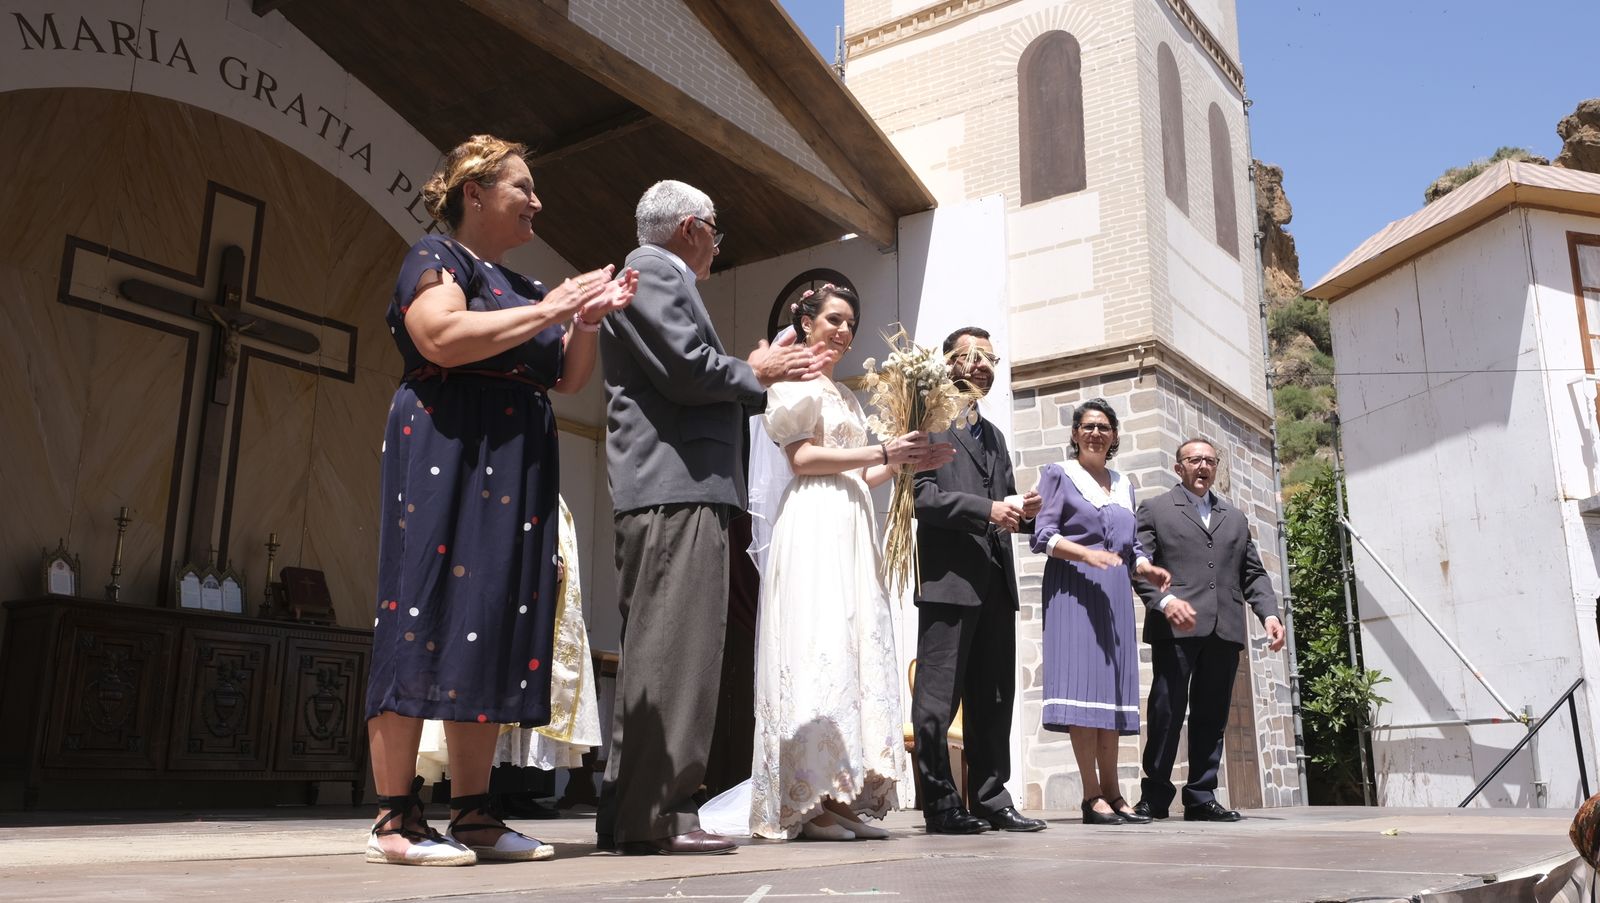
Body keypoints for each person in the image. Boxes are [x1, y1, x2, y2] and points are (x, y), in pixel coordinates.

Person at [365, 134, 636, 867]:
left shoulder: (519, 285)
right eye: (523, 186)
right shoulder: (437, 258)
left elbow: (570, 380)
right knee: (422, 611)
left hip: (513, 464)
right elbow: (441, 336)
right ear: (475, 193)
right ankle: (394, 819)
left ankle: (476, 814)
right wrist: (553, 303)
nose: (537, 201)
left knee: (487, 620)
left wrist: (584, 318)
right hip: (448, 450)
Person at [597, 180, 823, 856]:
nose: (718, 248)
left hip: (680, 487)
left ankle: (632, 810)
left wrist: (755, 373)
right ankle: (657, 813)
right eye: (717, 233)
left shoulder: (654, 277)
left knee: (662, 654)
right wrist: (758, 369)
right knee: (674, 655)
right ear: (693, 226)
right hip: (677, 488)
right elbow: (686, 370)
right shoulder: (651, 272)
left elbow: (691, 374)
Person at [748, 286, 954, 841]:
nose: (843, 330)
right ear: (807, 323)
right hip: (813, 520)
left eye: (850, 323)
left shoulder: (844, 394)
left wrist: (907, 460)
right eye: (833, 320)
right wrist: (881, 452)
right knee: (816, 643)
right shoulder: (793, 382)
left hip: (850, 520)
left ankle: (836, 794)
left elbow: (862, 474)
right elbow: (802, 459)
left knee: (846, 647)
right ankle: (802, 802)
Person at [910, 327, 1047, 835]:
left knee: (993, 700)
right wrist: (987, 509)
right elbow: (922, 500)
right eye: (971, 356)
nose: (982, 365)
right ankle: (941, 803)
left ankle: (991, 796)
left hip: (994, 583)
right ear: (947, 363)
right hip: (948, 580)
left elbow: (1006, 505)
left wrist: (1027, 511)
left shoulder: (995, 436)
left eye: (990, 358)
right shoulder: (925, 424)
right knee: (936, 701)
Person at [1029, 399, 1171, 825]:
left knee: (1109, 697)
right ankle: (1092, 796)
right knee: (1083, 695)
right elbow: (1043, 536)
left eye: (1104, 427)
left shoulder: (1124, 483)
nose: (1095, 433)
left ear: (1114, 436)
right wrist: (1087, 556)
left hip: (1113, 597)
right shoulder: (1059, 474)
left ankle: (1114, 791)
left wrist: (1147, 568)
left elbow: (1133, 548)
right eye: (1088, 426)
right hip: (1074, 590)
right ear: (1075, 434)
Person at [1132, 438, 1284, 823]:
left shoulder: (1234, 518)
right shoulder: (1155, 509)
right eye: (1194, 459)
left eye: (1210, 461)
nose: (1203, 466)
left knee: (1212, 714)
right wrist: (1163, 602)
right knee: (1167, 711)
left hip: (1224, 627)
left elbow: (1252, 573)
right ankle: (1155, 796)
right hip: (1176, 625)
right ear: (1178, 466)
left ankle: (1201, 795)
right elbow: (1140, 566)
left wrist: (1269, 614)